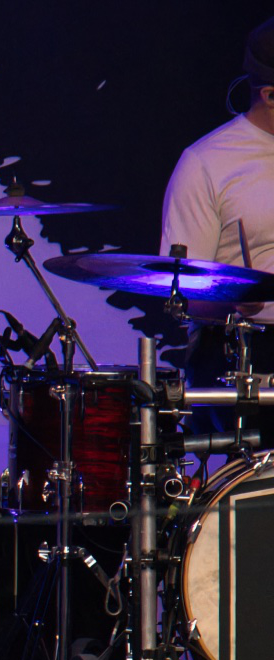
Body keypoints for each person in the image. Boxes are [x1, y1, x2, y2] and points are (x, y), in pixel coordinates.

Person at [161, 15, 274, 445]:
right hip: (249, 354)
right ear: (270, 95)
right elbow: (183, 294)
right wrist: (233, 299)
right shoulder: (208, 164)